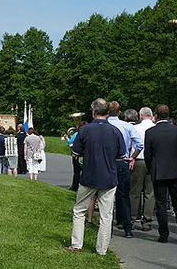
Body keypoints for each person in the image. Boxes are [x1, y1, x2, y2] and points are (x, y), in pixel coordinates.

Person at [66, 98, 126, 255]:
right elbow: (121, 154)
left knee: (79, 211)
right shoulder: (115, 131)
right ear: (107, 113)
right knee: (106, 216)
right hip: (109, 177)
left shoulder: (84, 131)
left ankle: (76, 244)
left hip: (89, 176)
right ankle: (102, 249)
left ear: (94, 112)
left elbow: (75, 152)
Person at [144, 104, 177, 244]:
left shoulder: (150, 132)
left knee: (161, 203)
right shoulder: (176, 131)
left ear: (156, 116)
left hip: (159, 171)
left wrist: (151, 168)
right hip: (174, 170)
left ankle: (163, 234)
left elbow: (148, 154)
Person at [106, 101, 141, 237]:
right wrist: (132, 157)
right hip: (122, 162)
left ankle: (108, 228)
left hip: (108, 163)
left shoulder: (105, 125)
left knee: (107, 196)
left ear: (107, 112)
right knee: (124, 196)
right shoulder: (126, 126)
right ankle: (127, 228)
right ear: (120, 112)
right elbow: (140, 144)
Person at [130, 107, 155, 228]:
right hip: (152, 162)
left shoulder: (135, 128)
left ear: (141, 116)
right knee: (149, 193)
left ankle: (132, 218)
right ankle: (147, 220)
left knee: (135, 192)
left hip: (138, 160)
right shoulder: (155, 128)